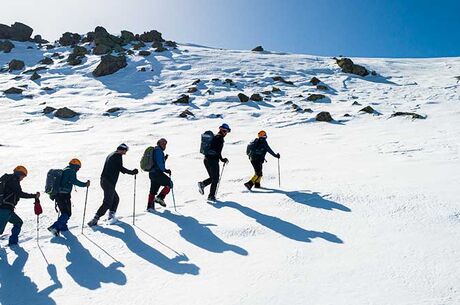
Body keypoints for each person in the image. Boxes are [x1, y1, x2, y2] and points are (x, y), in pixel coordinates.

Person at [87, 144, 138, 226]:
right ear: (122, 150)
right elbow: (120, 168)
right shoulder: (117, 156)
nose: (126, 153)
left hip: (105, 181)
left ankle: (111, 216)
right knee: (108, 202)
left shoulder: (112, 154)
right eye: (126, 151)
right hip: (108, 182)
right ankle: (95, 219)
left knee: (115, 199)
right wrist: (132, 172)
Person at [48, 159, 89, 236]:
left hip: (58, 195)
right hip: (64, 195)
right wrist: (85, 184)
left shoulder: (65, 169)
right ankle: (55, 227)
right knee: (67, 213)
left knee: (64, 212)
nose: (78, 169)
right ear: (76, 166)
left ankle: (63, 227)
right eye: (78, 167)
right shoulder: (71, 171)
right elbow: (74, 181)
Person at [0, 166, 40, 246]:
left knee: (18, 222)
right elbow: (20, 194)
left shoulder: (7, 179)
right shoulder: (14, 180)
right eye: (23, 176)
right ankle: (13, 243)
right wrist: (34, 196)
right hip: (5, 209)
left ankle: (13, 242)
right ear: (20, 174)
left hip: (6, 209)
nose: (22, 179)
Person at [198, 123, 230, 201]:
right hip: (212, 161)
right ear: (221, 130)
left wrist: (221, 159)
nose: (226, 133)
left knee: (213, 178)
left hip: (206, 159)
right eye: (225, 131)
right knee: (215, 179)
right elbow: (217, 151)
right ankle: (211, 196)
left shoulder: (215, 137)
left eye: (227, 132)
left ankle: (203, 184)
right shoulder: (219, 138)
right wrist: (222, 159)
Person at [147, 138, 173, 212]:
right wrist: (165, 170)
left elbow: (157, 162)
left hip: (152, 173)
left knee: (153, 190)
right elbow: (159, 164)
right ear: (159, 143)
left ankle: (150, 207)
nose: (164, 146)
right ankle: (160, 198)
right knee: (169, 183)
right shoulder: (159, 151)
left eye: (165, 144)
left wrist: (164, 159)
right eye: (163, 144)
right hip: (157, 173)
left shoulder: (155, 150)